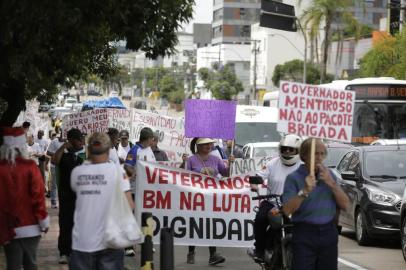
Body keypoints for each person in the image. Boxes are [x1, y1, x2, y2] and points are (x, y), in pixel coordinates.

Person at [282, 138, 350, 270]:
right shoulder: (293, 178)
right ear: (305, 156)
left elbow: (345, 205)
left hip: (328, 233)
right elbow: (287, 210)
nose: (319, 158)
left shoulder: (329, 175)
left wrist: (332, 184)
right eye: (315, 154)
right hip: (304, 233)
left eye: (322, 154)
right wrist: (305, 191)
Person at [69, 132, 133, 270]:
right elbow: (129, 205)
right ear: (109, 148)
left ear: (89, 149)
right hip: (111, 240)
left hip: (83, 242)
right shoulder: (118, 172)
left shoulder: (77, 172)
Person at [0, 127, 49, 269]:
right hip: (31, 225)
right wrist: (43, 220)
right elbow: (38, 196)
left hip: (8, 227)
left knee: (12, 265)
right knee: (31, 264)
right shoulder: (30, 166)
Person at [248, 134, 302, 261]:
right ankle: (260, 250)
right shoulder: (272, 164)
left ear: (297, 150)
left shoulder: (303, 166)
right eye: (284, 149)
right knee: (260, 219)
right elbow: (259, 176)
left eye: (291, 149)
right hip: (272, 202)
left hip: (295, 204)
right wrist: (254, 184)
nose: (287, 151)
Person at [185, 137, 234, 266]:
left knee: (210, 225)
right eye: (205, 144)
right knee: (194, 224)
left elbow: (226, 174)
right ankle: (191, 252)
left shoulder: (216, 159)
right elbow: (183, 178)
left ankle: (213, 255)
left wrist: (230, 164)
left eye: (210, 144)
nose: (209, 146)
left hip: (211, 198)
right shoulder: (191, 160)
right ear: (199, 146)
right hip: (196, 198)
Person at [53, 128, 86, 264]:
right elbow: (55, 161)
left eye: (81, 140)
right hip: (66, 196)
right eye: (78, 141)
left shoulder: (84, 155)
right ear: (71, 141)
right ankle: (64, 252)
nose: (81, 143)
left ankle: (77, 250)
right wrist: (63, 147)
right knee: (65, 224)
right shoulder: (64, 155)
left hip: (81, 197)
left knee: (79, 224)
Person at [123, 127, 156, 256]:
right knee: (132, 217)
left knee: (146, 217)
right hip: (135, 189)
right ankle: (129, 246)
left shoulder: (149, 150)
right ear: (148, 139)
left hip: (147, 190)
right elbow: (127, 166)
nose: (152, 141)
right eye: (151, 139)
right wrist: (135, 173)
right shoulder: (134, 150)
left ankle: (146, 243)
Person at [46, 134, 65, 208]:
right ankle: (53, 202)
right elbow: (48, 152)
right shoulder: (54, 141)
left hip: (64, 166)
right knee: (54, 185)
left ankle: (62, 202)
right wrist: (58, 154)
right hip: (54, 166)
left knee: (63, 185)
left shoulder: (67, 142)